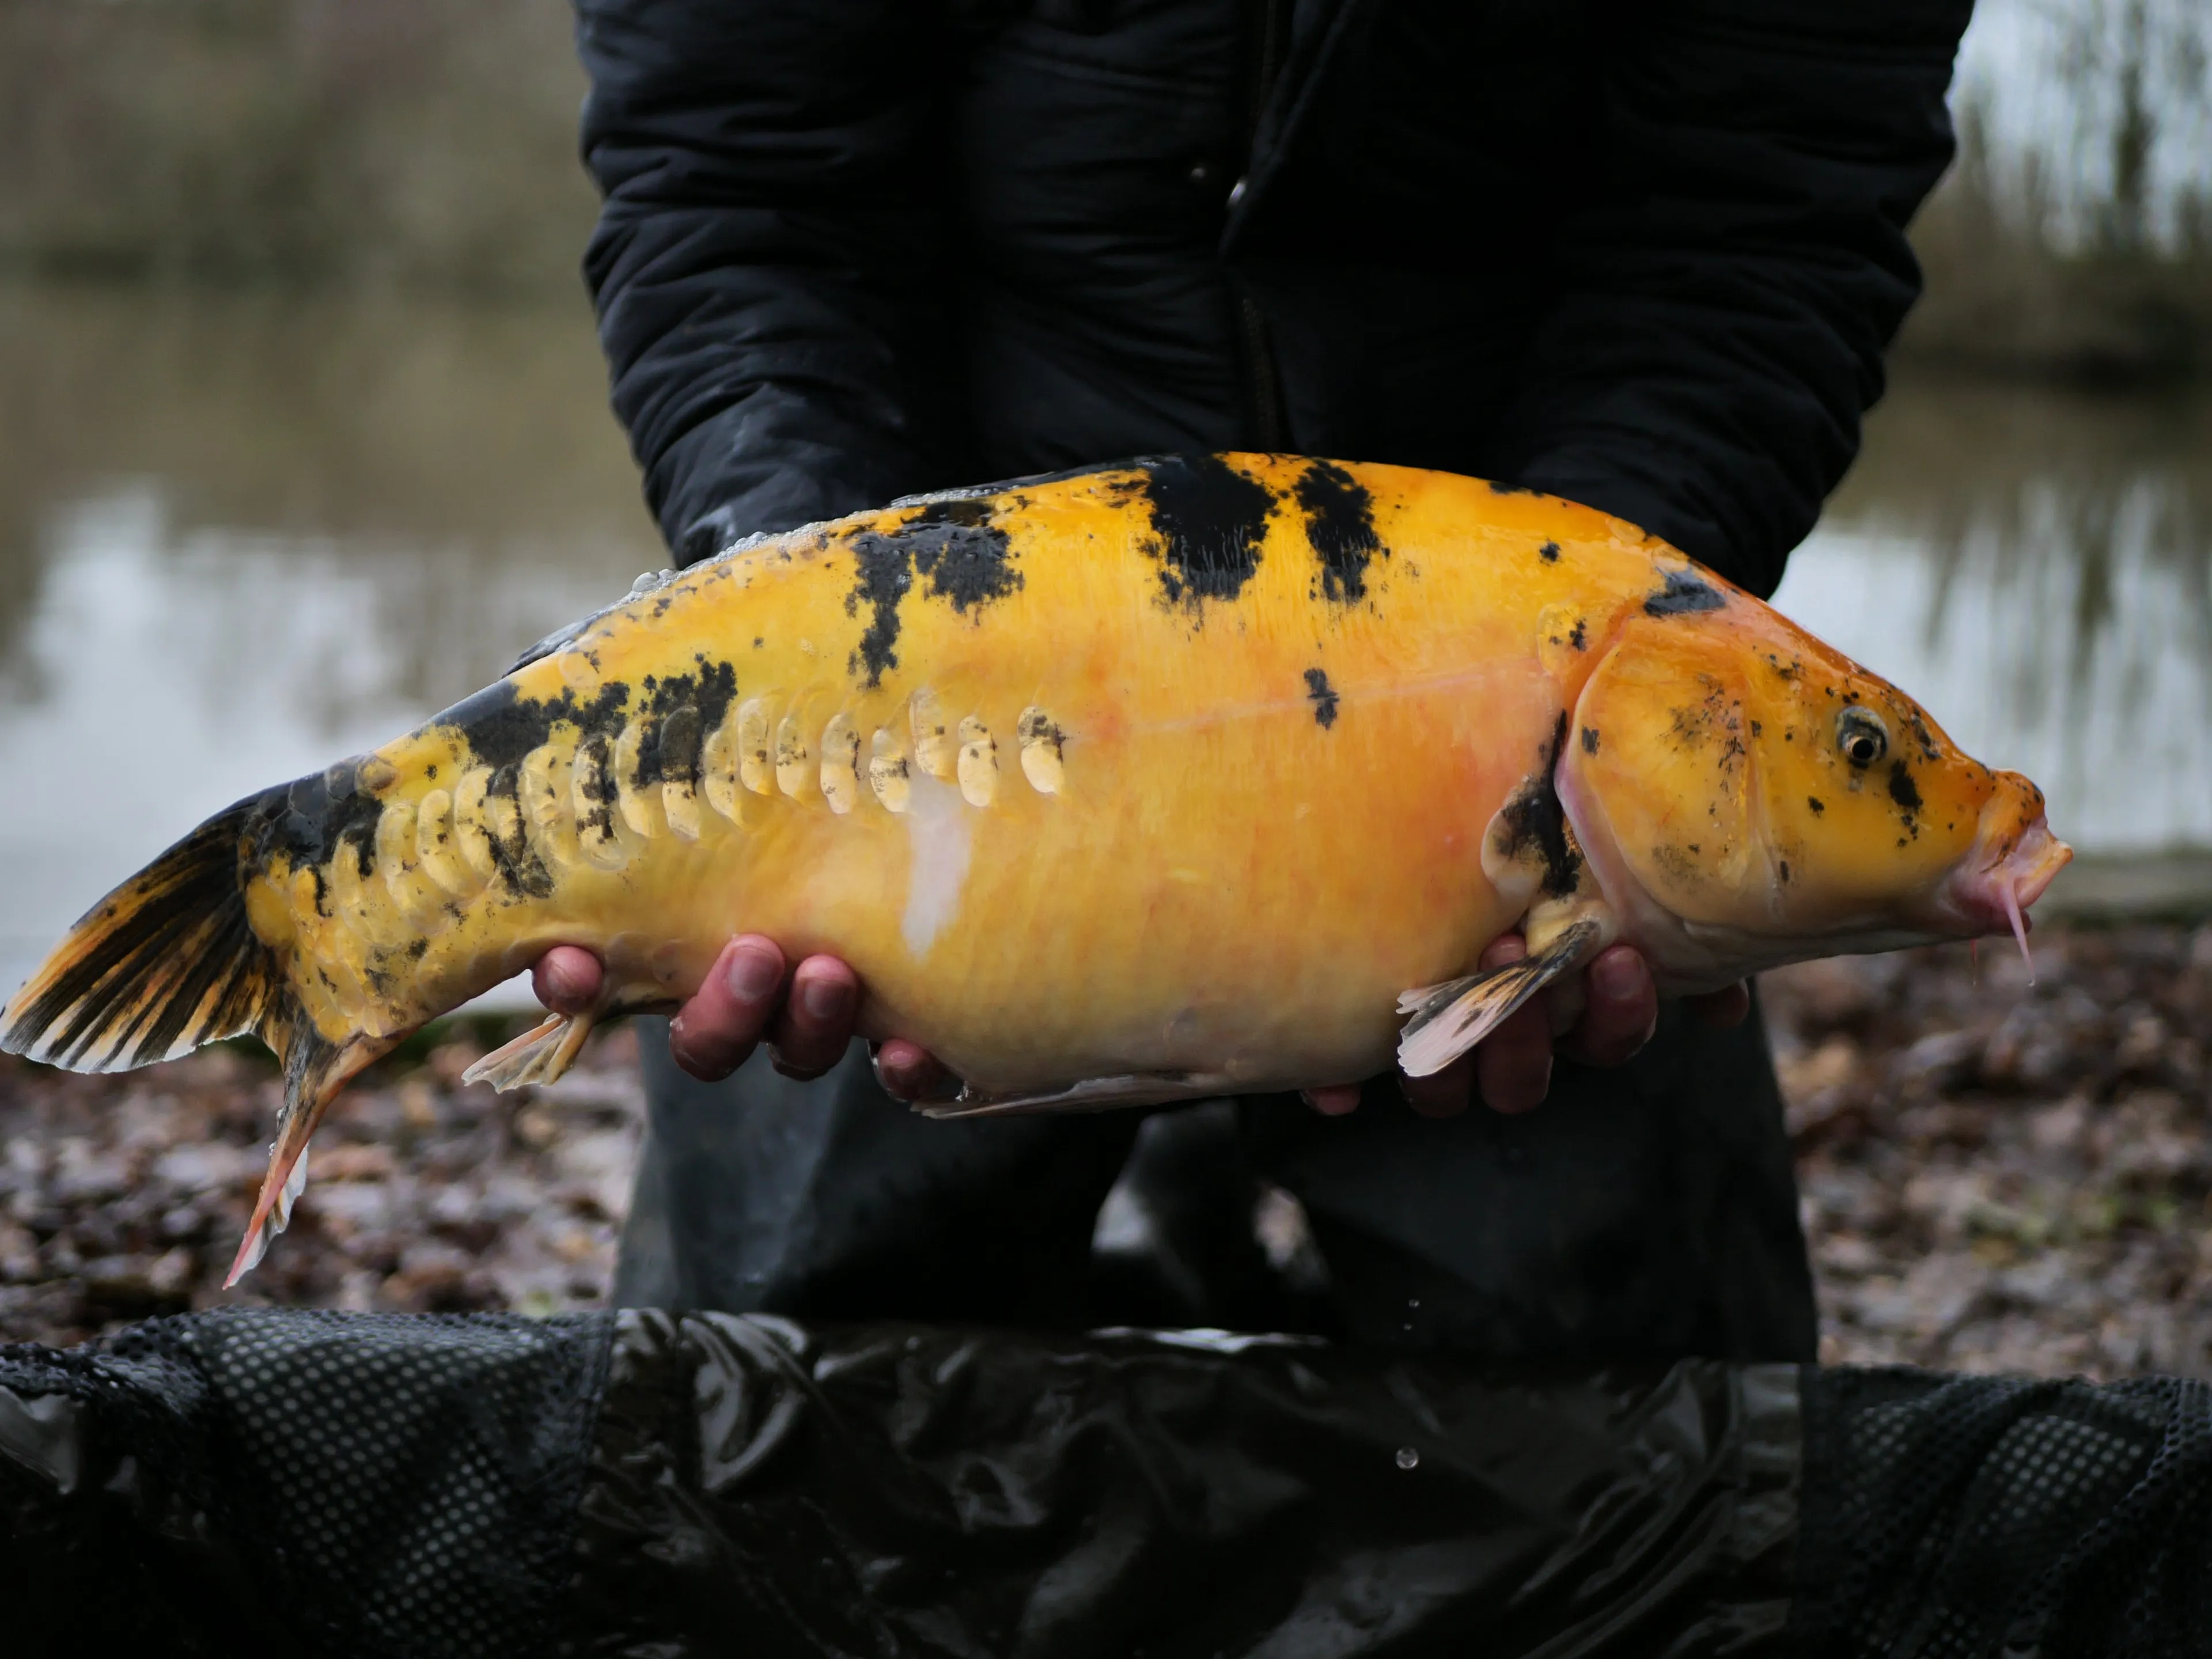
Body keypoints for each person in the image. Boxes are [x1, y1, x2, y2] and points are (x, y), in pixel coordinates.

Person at [541, 0, 1972, 1355]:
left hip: (1531, 591)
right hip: (930, 606)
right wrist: (802, 634)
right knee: (782, 1413)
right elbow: (741, 188)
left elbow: (1760, 220)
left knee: (1621, 1454)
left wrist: (1578, 637)